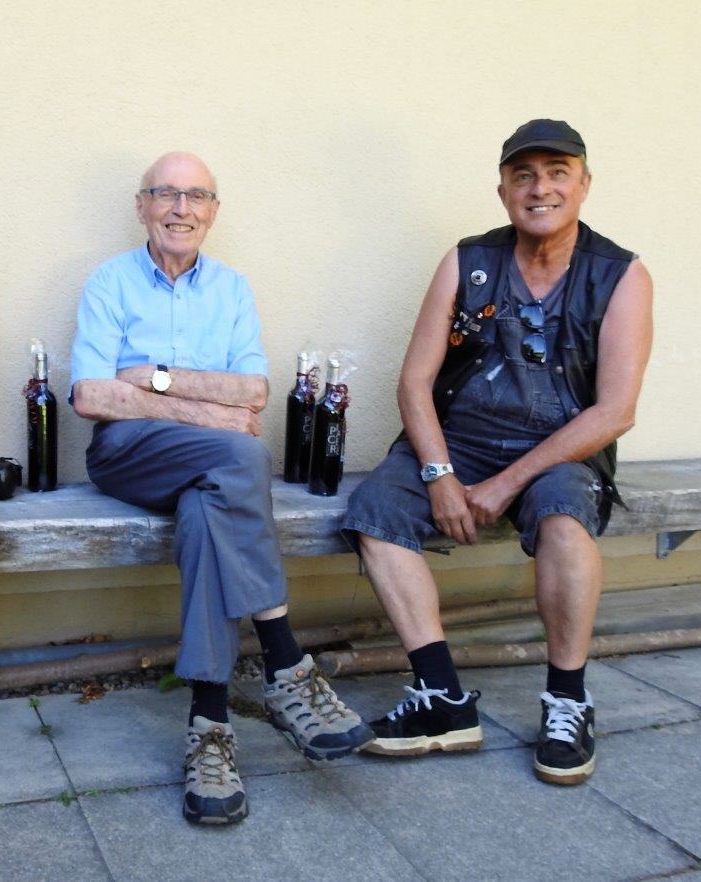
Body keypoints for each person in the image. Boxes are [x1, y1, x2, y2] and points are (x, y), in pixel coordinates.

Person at [342, 120, 654, 785]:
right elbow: (414, 381)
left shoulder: (621, 275)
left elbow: (614, 412)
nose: (540, 188)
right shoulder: (467, 261)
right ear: (504, 190)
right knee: (375, 511)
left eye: (557, 173)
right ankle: (442, 698)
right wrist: (439, 474)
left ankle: (567, 701)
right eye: (523, 175)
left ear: (584, 185)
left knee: (564, 520)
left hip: (561, 450)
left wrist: (506, 483)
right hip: (459, 441)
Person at [70, 152, 370, 825]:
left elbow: (254, 392)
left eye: (196, 196)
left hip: (209, 470)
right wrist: (213, 410)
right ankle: (286, 661)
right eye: (166, 194)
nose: (181, 208)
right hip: (127, 455)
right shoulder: (110, 282)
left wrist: (154, 379)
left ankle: (209, 727)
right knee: (241, 453)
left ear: (213, 210)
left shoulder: (232, 289)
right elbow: (92, 396)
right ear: (142, 206)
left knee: (210, 508)